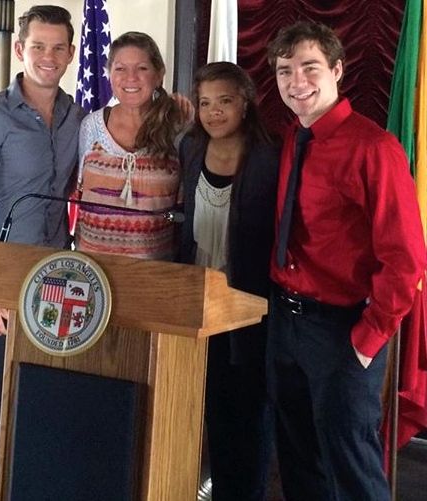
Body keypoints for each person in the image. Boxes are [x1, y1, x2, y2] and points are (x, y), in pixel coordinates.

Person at [266, 20, 426, 501]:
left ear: (337, 69)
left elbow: (406, 260)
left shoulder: (374, 148)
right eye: (284, 70)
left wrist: (368, 338)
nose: (297, 83)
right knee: (297, 461)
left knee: (352, 466)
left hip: (342, 331)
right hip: (285, 321)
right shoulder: (295, 136)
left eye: (310, 68)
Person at [0, 6, 84, 500]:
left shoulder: (79, 117)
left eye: (58, 47)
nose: (48, 57)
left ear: (71, 53)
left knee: (37, 400)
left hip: (56, 279)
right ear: (19, 49)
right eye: (39, 46)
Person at [179, 62, 279, 500]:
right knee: (209, 410)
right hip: (196, 304)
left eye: (224, 101)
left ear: (245, 102)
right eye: (204, 103)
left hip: (248, 307)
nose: (213, 112)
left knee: (248, 415)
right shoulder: (189, 148)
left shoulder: (271, 154)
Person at [75, 31, 187, 260]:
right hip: (92, 271)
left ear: (159, 75)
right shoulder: (91, 126)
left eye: (142, 68)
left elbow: (185, 206)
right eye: (120, 68)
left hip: (156, 272)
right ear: (109, 75)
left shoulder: (178, 128)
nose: (131, 77)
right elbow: (77, 190)